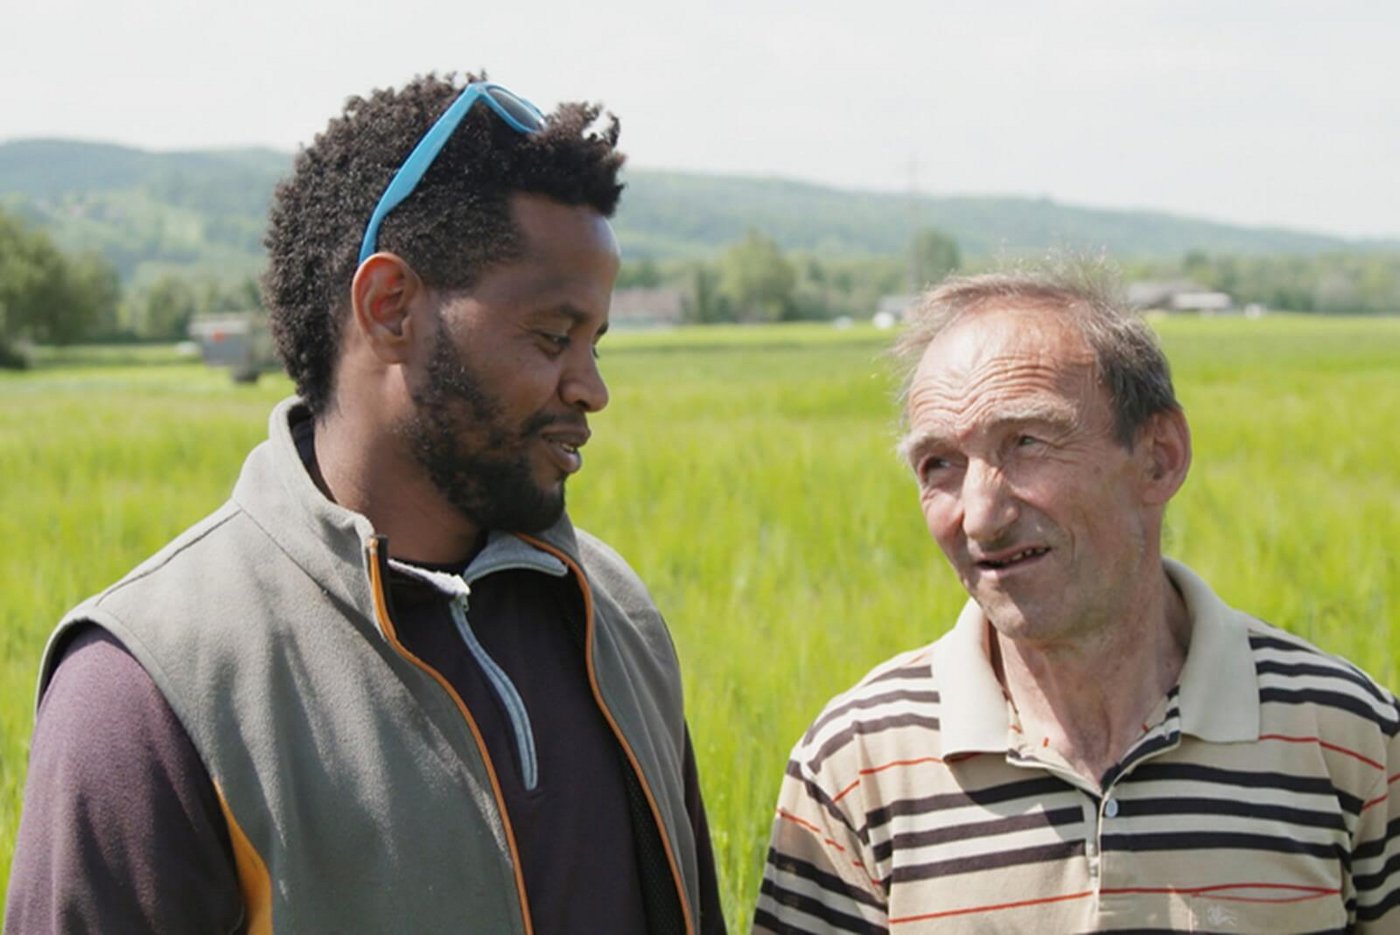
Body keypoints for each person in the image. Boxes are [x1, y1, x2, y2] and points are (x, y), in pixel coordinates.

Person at [6, 73, 725, 934]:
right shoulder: (147, 690)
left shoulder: (618, 619)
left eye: (597, 341)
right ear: (390, 308)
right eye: (551, 336)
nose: (593, 388)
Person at [755, 267, 1399, 933]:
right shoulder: (856, 764)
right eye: (939, 464)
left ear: (1159, 457)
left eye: (1027, 442)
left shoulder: (1351, 740)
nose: (980, 516)